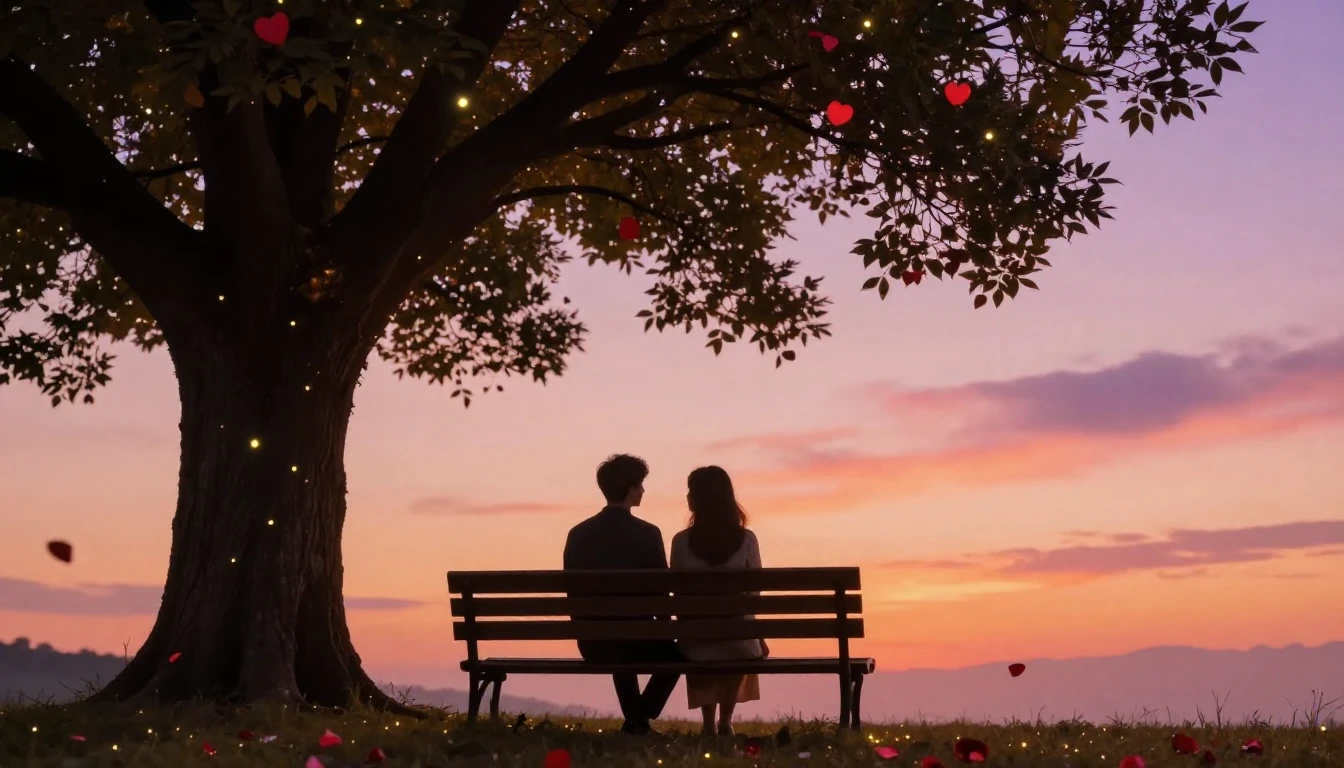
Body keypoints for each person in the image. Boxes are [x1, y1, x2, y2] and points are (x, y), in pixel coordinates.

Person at [562, 454, 682, 735]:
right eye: (640, 484)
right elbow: (660, 592)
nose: (643, 490)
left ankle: (636, 722)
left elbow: (572, 592)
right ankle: (641, 715)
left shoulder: (578, 534)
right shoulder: (648, 533)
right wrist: (667, 628)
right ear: (630, 489)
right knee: (678, 656)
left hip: (593, 643)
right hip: (638, 639)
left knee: (618, 638)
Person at [670, 465, 769, 737]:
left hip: (696, 643)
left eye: (690, 491)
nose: (687, 497)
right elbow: (754, 595)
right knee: (737, 638)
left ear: (697, 499)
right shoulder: (747, 540)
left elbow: (679, 597)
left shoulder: (681, 542)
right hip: (739, 642)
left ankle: (708, 723)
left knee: (702, 636)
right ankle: (726, 721)